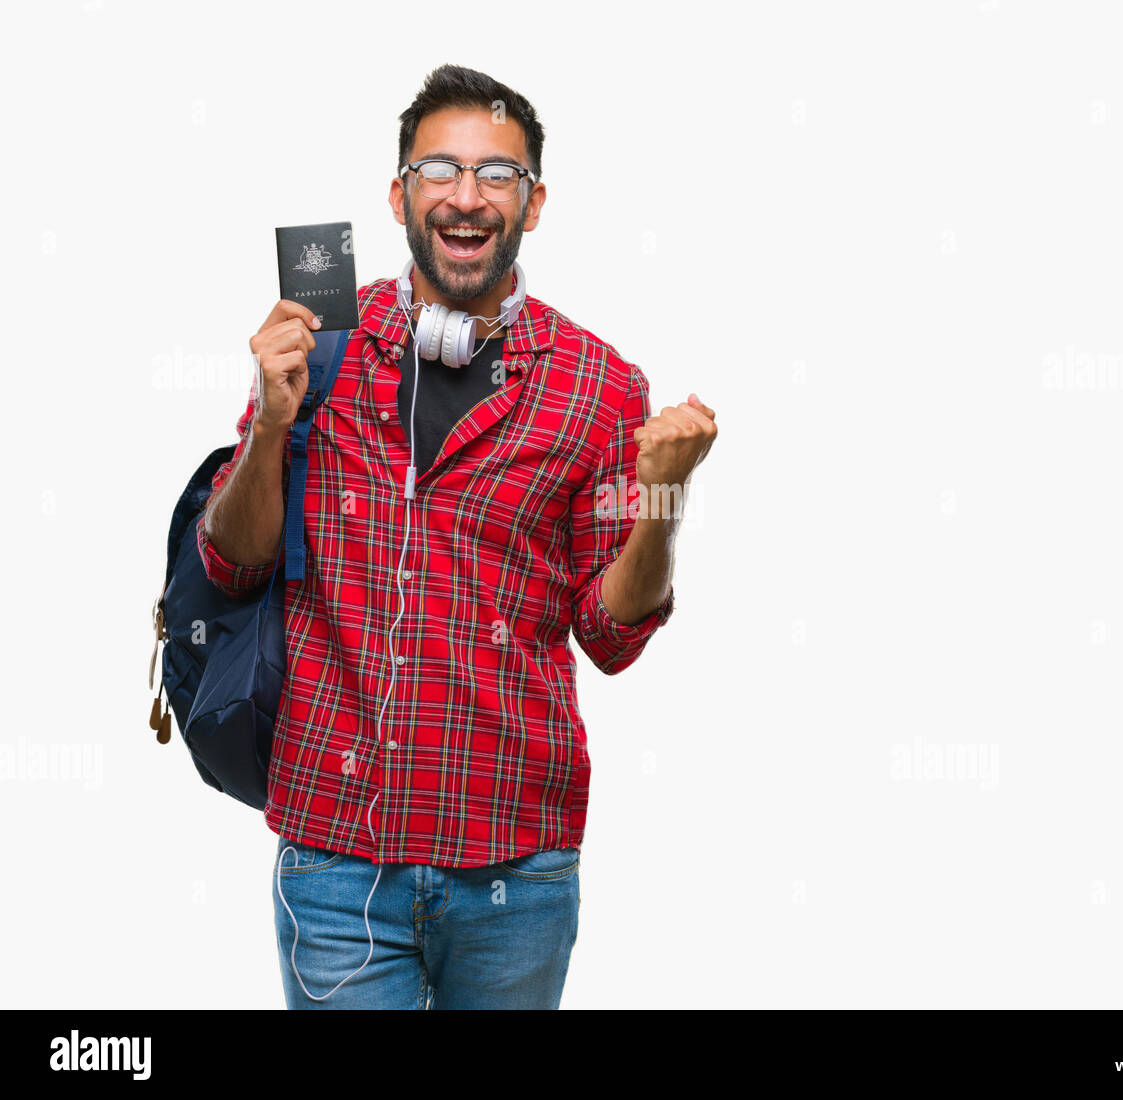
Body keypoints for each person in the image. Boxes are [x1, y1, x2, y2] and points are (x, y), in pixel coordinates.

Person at [196, 64, 717, 1009]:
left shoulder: (601, 387)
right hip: (336, 855)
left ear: (535, 201)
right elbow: (232, 561)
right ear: (400, 193)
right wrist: (272, 425)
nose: (467, 197)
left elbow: (611, 635)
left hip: (517, 861)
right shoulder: (316, 346)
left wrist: (665, 501)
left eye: (498, 174)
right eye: (440, 168)